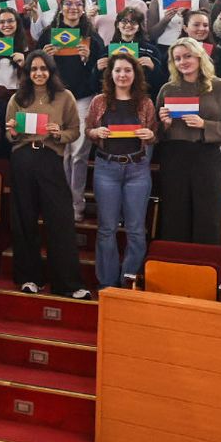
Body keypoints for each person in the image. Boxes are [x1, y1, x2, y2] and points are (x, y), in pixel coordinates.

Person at [4, 51, 87, 298]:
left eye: (43, 69)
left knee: (60, 221)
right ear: (28, 73)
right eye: (34, 69)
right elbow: (10, 135)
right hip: (22, 159)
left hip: (51, 158)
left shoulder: (65, 97)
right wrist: (13, 131)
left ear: (51, 71)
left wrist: (58, 133)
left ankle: (68, 283)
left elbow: (74, 130)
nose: (39, 73)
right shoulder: (18, 98)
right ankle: (29, 278)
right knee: (24, 219)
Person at [155, 38, 221, 245]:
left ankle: (205, 267)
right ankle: (176, 267)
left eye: (187, 56)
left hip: (207, 155)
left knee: (208, 215)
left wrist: (205, 124)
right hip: (174, 156)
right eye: (177, 58)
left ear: (199, 56)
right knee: (175, 214)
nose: (182, 62)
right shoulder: (167, 89)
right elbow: (155, 134)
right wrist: (164, 125)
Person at [85, 54, 158, 290]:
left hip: (137, 168)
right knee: (106, 228)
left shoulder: (145, 102)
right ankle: (107, 283)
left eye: (127, 70)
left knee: (136, 229)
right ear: (111, 74)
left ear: (135, 74)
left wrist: (151, 135)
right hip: (107, 168)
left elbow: (155, 133)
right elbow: (88, 130)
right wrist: (96, 133)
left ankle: (128, 281)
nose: (122, 75)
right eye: (118, 71)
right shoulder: (99, 101)